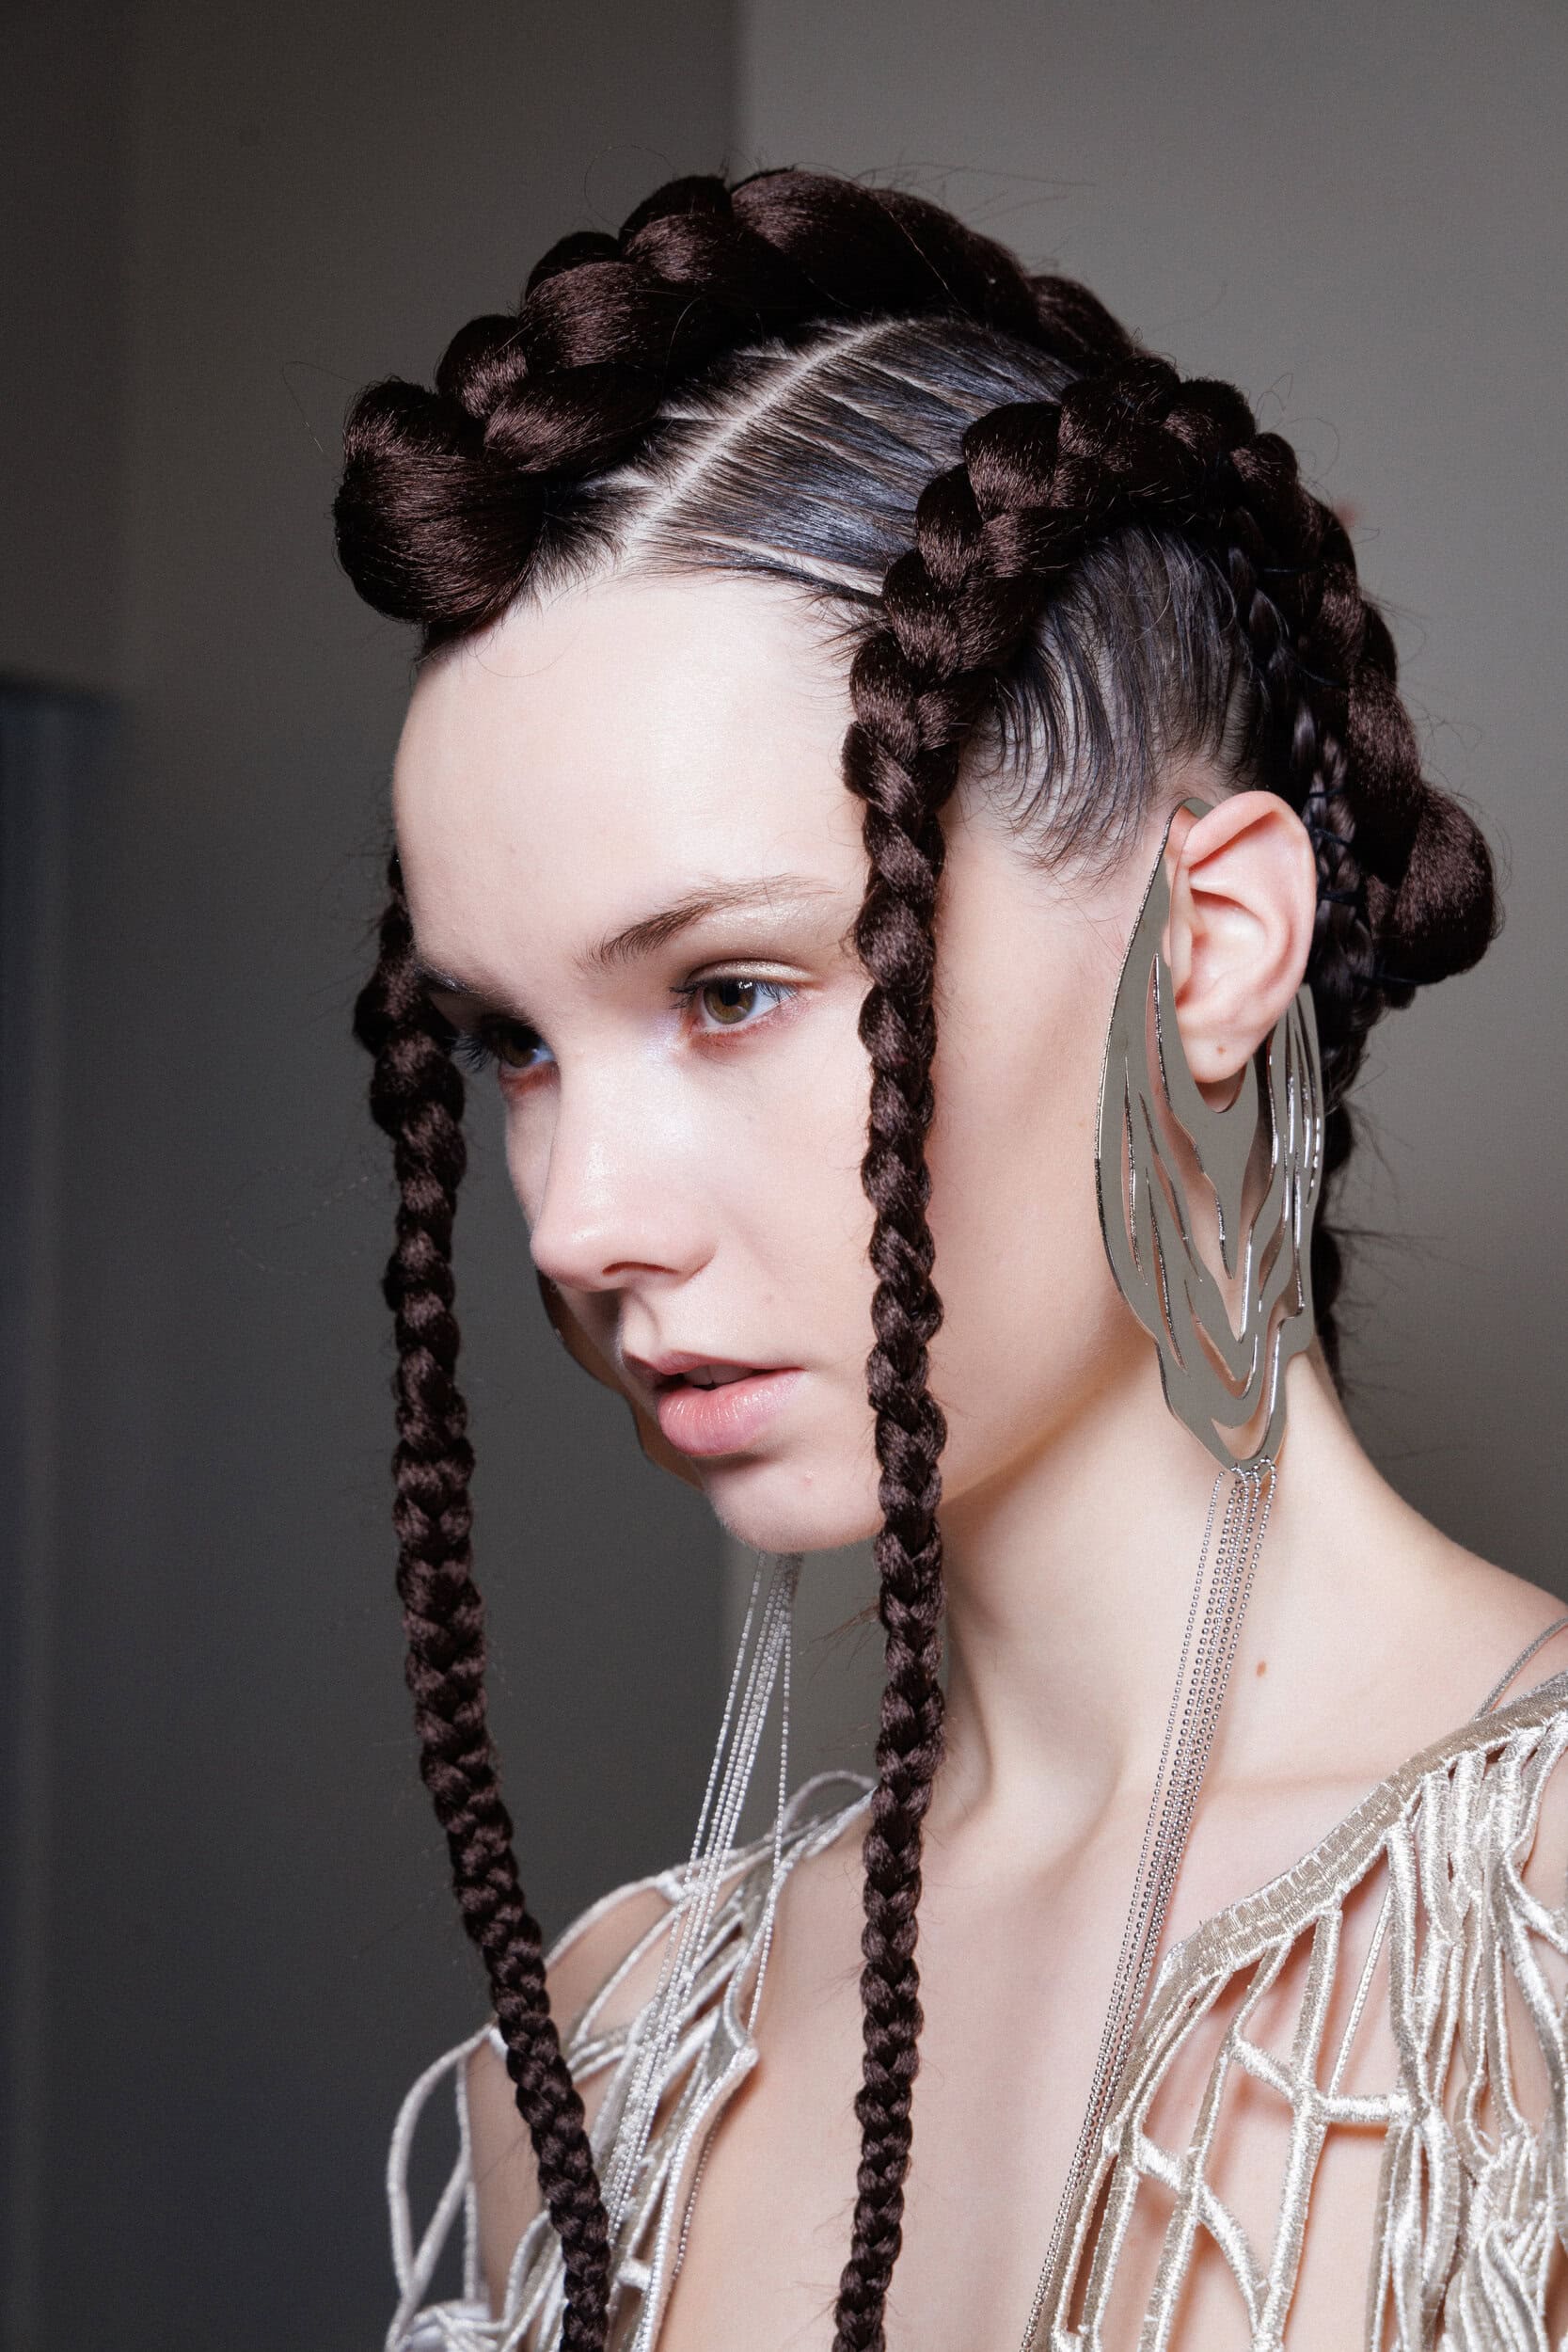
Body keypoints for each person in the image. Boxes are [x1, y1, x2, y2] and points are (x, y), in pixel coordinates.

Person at [336, 170, 1568, 2351]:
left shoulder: (1532, 1967)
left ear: (1209, 943)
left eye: (731, 989)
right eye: (513, 1042)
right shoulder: (608, 2066)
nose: (579, 1215)